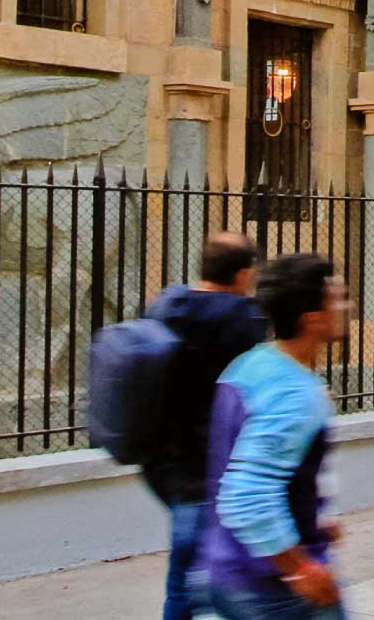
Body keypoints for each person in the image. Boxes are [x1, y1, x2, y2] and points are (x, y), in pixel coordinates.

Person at [201, 253, 349, 620]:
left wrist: (315, 515)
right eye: (336, 299)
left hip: (226, 570)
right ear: (312, 318)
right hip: (272, 589)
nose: (345, 307)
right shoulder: (295, 392)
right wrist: (299, 569)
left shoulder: (250, 365)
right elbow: (246, 495)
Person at [144, 233, 267, 620]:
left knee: (185, 575)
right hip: (211, 467)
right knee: (207, 579)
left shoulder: (166, 305)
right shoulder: (242, 321)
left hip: (165, 464)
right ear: (243, 274)